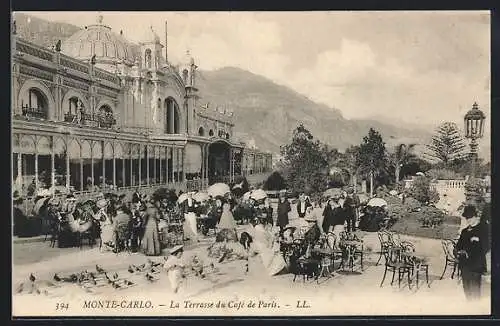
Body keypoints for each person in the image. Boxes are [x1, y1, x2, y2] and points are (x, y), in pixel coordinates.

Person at [455, 205, 487, 301]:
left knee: (475, 290)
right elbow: (458, 245)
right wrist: (458, 252)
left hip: (476, 265)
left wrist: (471, 248)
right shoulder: (464, 231)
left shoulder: (482, 230)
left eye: (470, 217)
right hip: (464, 265)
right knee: (467, 289)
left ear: (475, 217)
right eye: (466, 217)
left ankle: (476, 310)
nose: (468, 220)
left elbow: (485, 247)